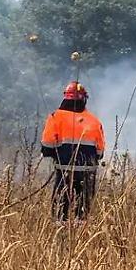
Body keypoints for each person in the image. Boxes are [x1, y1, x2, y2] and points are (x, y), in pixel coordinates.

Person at [41, 81, 106, 220]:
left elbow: (46, 149)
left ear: (65, 97)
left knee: (60, 215)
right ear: (84, 99)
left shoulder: (55, 117)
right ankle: (81, 240)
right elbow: (100, 154)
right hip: (87, 175)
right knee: (82, 216)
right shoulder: (95, 121)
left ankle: (60, 239)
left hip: (64, 174)